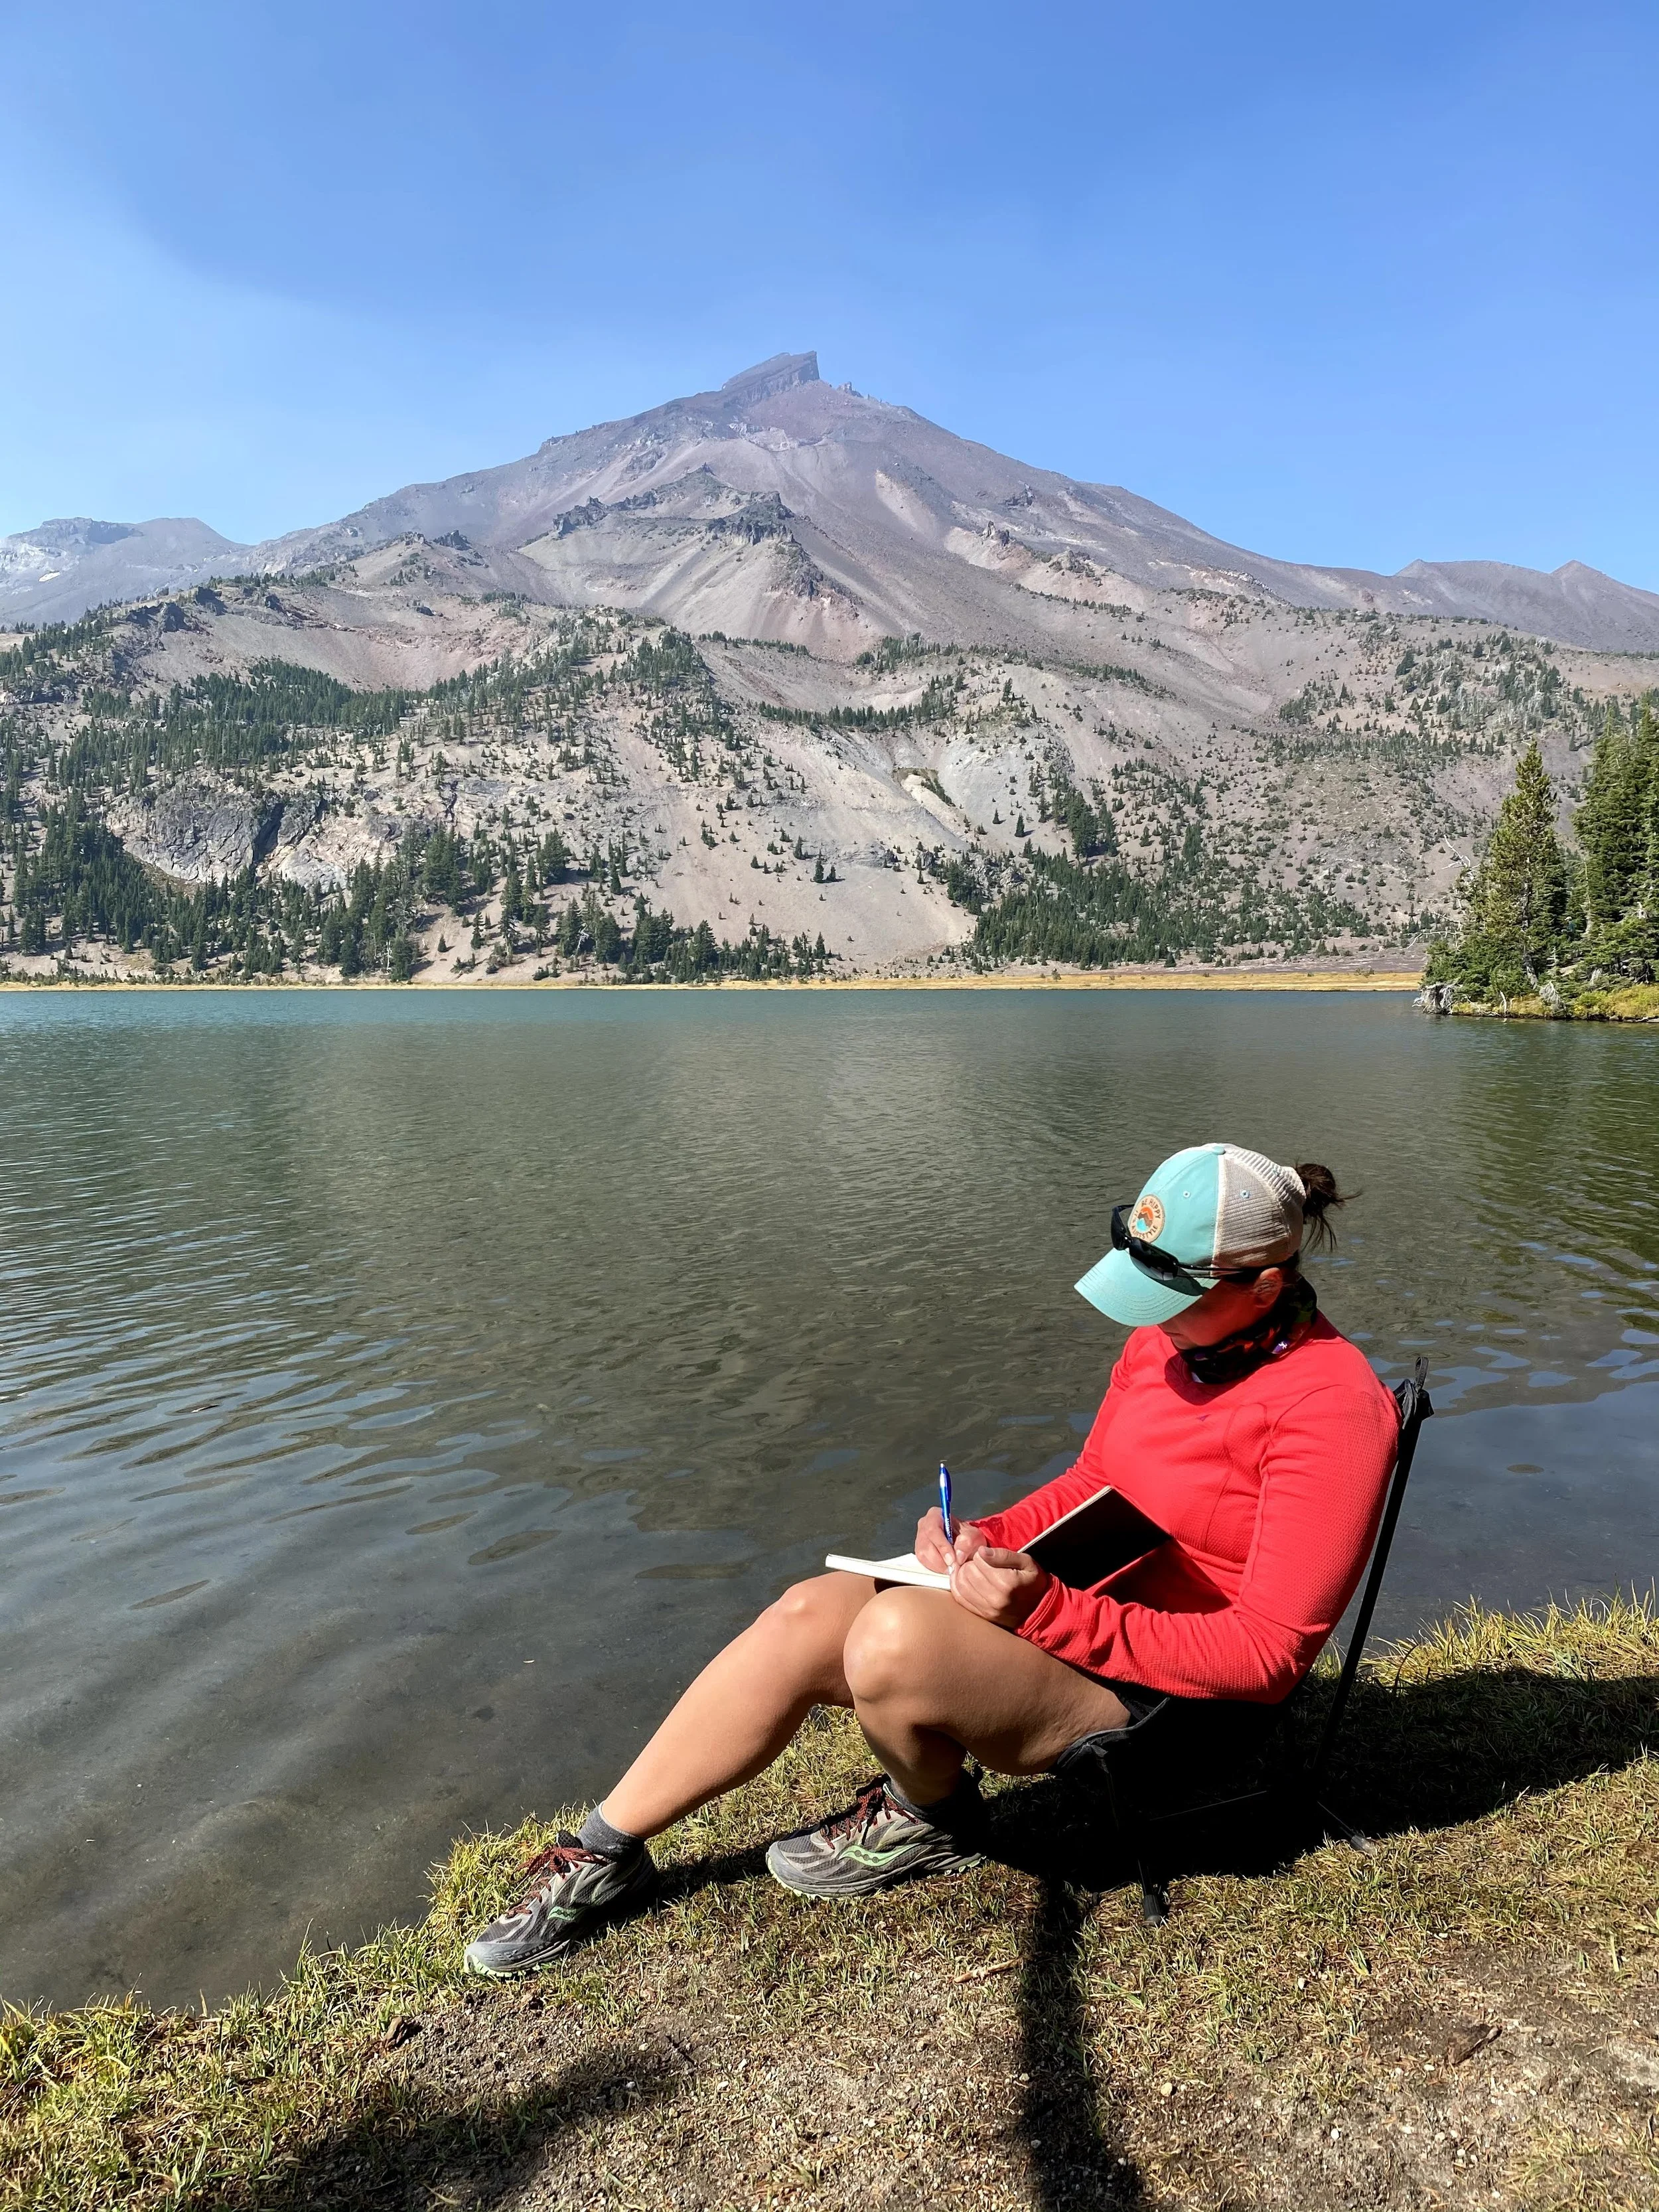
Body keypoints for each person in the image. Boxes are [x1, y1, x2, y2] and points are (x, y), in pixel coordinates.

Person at [464, 1142, 1400, 1978]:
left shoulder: (1333, 1408)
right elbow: (1093, 1481)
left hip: (1185, 1707)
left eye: (1173, 1300)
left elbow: (1269, 1655)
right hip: (1092, 1615)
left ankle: (934, 1821)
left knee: (892, 1642)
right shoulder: (1166, 1346)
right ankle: (602, 1855)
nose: (1149, 1323)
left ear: (1265, 1287)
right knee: (809, 1610)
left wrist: (1046, 1615)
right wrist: (985, 1535)